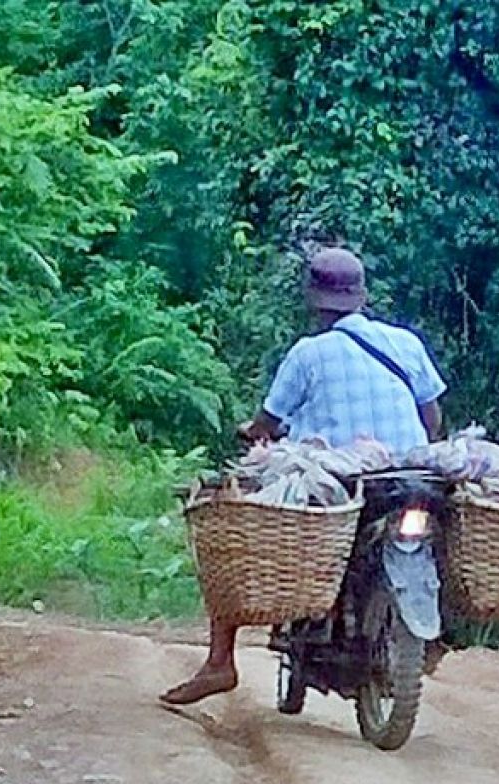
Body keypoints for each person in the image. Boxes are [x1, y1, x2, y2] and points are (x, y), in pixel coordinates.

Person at [160, 246, 447, 706]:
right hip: (409, 474)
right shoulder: (405, 342)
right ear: (362, 295)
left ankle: (219, 662)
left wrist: (251, 434)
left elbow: (268, 426)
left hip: (336, 480)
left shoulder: (308, 354)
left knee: (231, 526)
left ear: (313, 299)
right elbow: (433, 420)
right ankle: (432, 636)